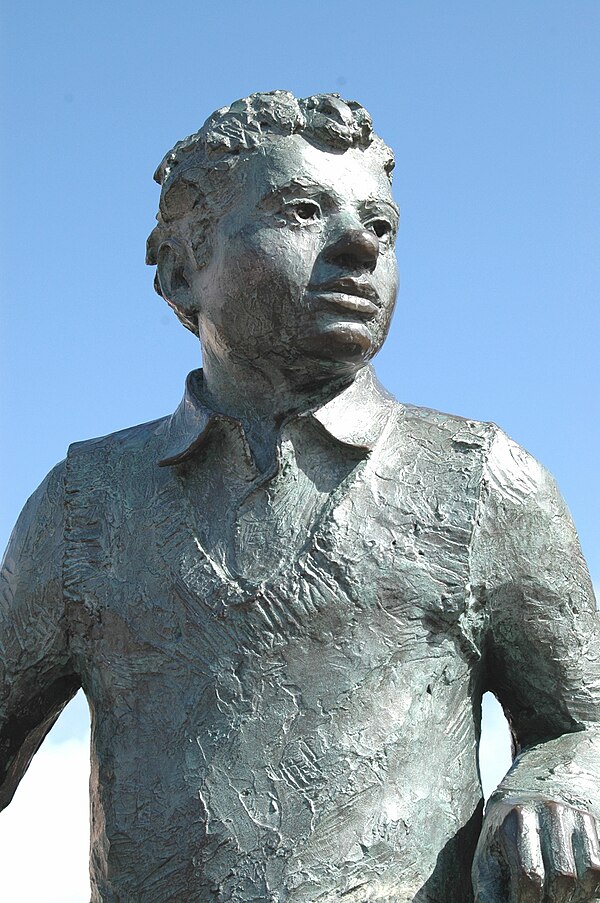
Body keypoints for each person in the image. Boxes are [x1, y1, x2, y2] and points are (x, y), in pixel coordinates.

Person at [1, 91, 599, 903]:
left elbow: (585, 722)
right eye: (304, 210)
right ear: (182, 270)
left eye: (381, 227)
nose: (358, 245)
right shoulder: (85, 503)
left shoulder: (481, 478)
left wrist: (561, 788)